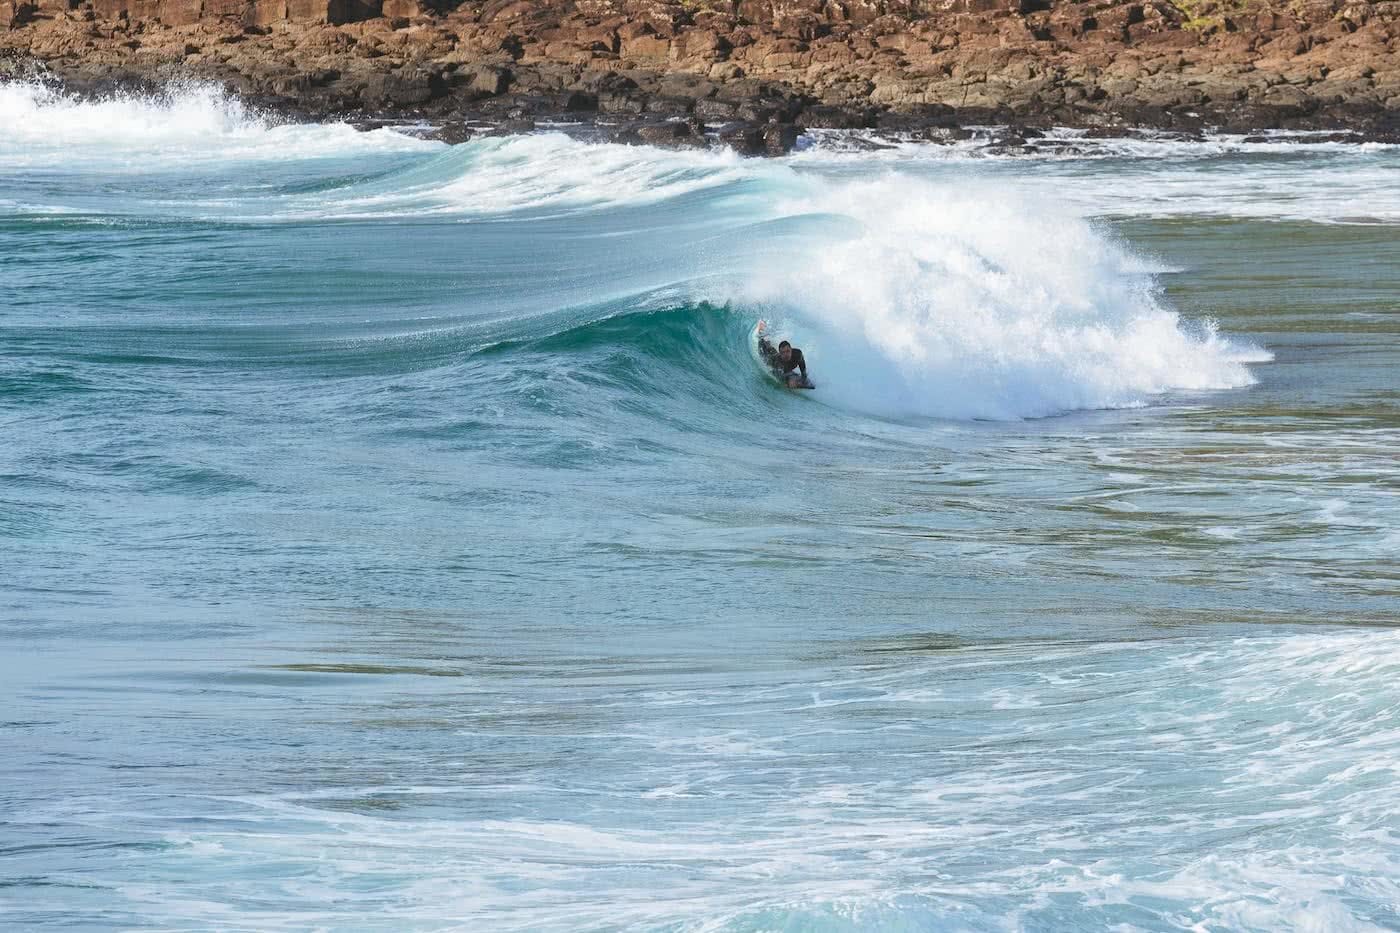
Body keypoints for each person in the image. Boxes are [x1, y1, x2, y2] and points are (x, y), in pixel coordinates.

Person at [756, 320, 809, 388]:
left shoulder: (798, 354)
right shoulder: (778, 362)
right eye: (783, 353)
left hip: (776, 356)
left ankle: (767, 340)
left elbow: (802, 366)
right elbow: (774, 374)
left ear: (791, 349)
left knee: (771, 348)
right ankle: (761, 330)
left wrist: (804, 378)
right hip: (767, 358)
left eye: (788, 351)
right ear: (780, 354)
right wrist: (787, 382)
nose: (786, 354)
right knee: (762, 342)